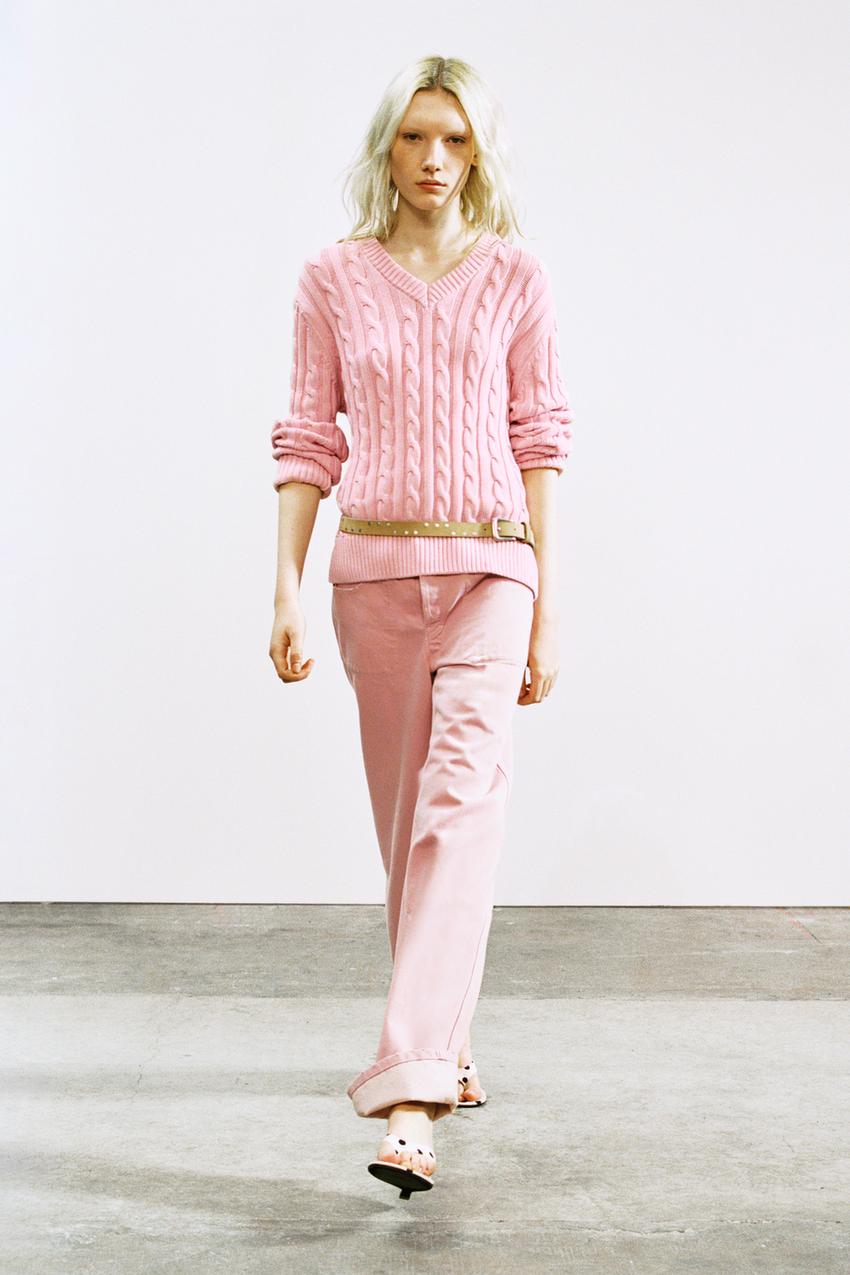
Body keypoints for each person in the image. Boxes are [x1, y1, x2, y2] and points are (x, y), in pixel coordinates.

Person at [268, 54, 574, 1198]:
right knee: (408, 834)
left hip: (492, 570)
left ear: (477, 151)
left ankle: (410, 1094)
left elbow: (541, 440)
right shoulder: (332, 279)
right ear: (385, 149)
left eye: (453, 138)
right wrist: (285, 586)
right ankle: (449, 1037)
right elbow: (308, 438)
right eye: (412, 137)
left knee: (460, 812)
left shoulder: (517, 276)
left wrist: (549, 602)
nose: (433, 159)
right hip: (372, 577)